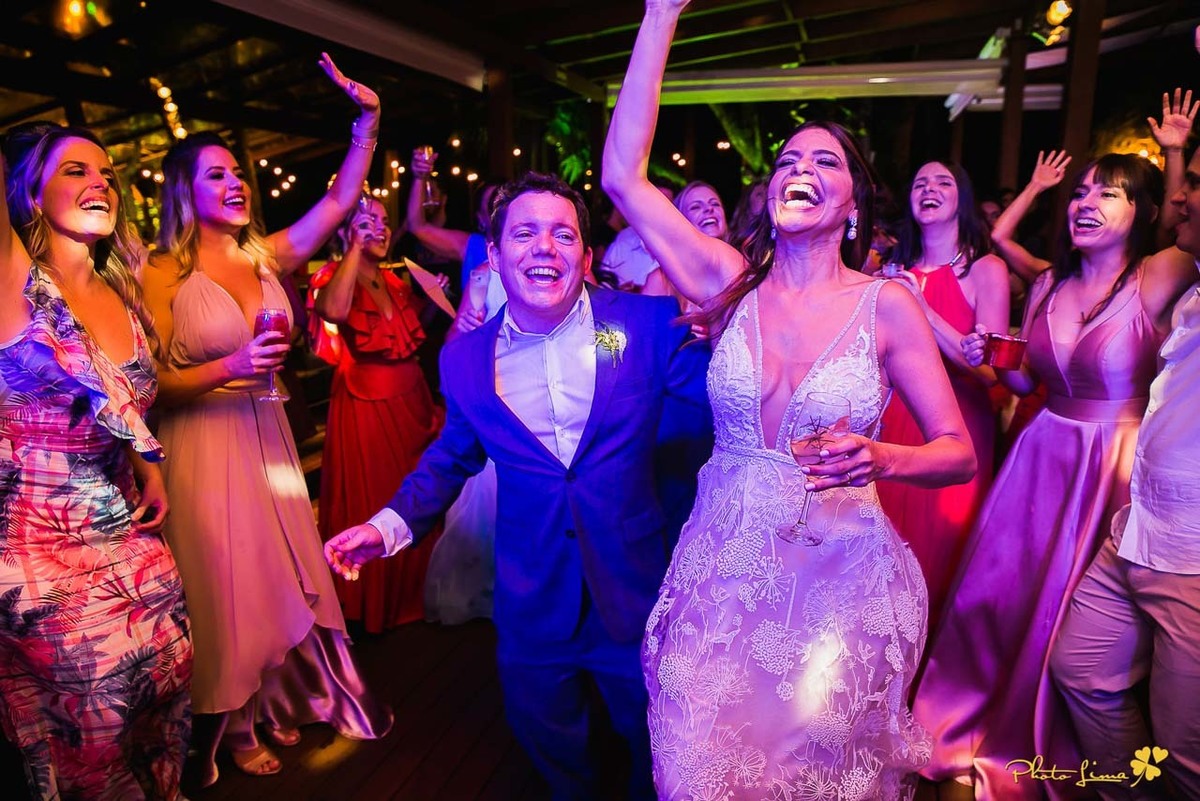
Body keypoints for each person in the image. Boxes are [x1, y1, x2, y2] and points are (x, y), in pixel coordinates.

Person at [602, 3, 977, 799]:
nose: (798, 166)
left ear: (851, 207)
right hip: (720, 576)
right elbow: (622, 177)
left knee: (810, 772)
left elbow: (958, 450)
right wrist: (660, 15)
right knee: (696, 759)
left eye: (825, 162)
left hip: (837, 581)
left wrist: (883, 455)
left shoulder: (889, 306)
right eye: (786, 158)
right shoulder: (727, 285)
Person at [325, 171, 711, 801]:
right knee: (546, 734)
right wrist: (385, 525)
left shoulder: (647, 324)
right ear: (495, 255)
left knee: (655, 738)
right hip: (533, 593)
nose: (544, 247)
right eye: (525, 232)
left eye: (564, 234)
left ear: (587, 258)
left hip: (635, 585)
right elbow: (451, 456)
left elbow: (728, 405)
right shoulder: (465, 360)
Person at [913, 152, 1197, 800]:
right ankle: (970, 718)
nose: (1086, 202)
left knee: (1075, 619)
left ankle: (1060, 747)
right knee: (1002, 598)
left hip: (1115, 465)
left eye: (1111, 193)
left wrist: (1177, 155)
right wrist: (994, 356)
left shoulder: (1155, 276)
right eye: (1081, 192)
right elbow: (1022, 380)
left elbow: (1192, 218)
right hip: (1040, 456)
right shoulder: (1045, 283)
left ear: (1145, 211)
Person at [142, 54, 391, 784]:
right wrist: (229, 368)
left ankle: (272, 699)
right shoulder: (160, 271)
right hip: (203, 443)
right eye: (216, 174)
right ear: (184, 190)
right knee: (225, 586)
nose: (234, 183)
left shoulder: (263, 255)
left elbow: (340, 204)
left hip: (271, 438)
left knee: (280, 574)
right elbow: (146, 385)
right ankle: (228, 725)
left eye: (237, 173)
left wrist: (366, 125)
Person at [0, 124, 192, 799]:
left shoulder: (124, 292)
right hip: (37, 546)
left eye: (106, 172)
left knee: (163, 686)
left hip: (129, 535)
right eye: (75, 169)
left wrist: (151, 467)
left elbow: (124, 400)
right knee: (94, 716)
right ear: (27, 189)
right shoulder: (13, 281)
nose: (100, 182)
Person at [1048, 142, 1200, 801]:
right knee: (1080, 667)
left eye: (1191, 185)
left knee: (1185, 751)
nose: (1179, 198)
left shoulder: (1160, 278)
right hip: (1137, 529)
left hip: (1192, 557)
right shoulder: (1192, 294)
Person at [875, 161, 1009, 633]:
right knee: (885, 560)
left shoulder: (986, 269)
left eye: (943, 182)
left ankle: (930, 688)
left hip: (954, 424)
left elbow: (991, 371)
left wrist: (923, 310)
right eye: (919, 183)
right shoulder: (892, 271)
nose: (929, 189)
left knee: (940, 558)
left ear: (962, 200)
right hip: (893, 424)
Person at [310, 196, 444, 631]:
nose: (380, 228)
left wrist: (431, 296)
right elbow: (332, 311)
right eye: (368, 220)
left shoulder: (396, 281)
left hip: (411, 397)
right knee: (377, 497)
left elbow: (400, 336)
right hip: (366, 404)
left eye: (384, 221)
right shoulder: (333, 275)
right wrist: (352, 248)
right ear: (347, 228)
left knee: (416, 491)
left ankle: (418, 592)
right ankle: (376, 604)